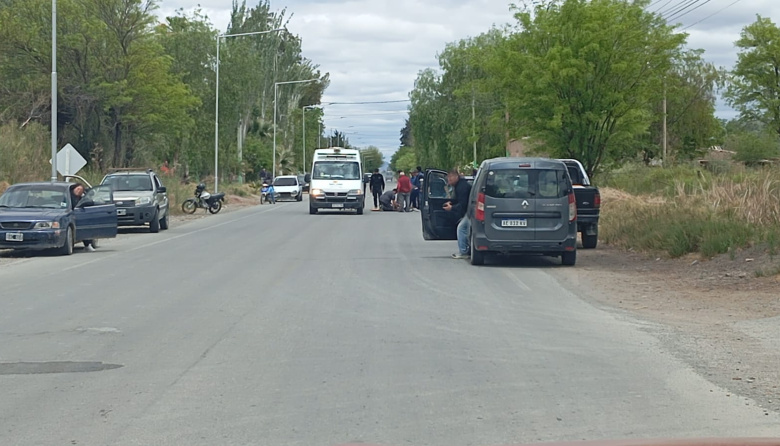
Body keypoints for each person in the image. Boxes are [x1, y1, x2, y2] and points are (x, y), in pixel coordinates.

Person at [442, 168, 472, 259]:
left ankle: (464, 252)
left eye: (451, 178)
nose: (449, 180)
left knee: (461, 228)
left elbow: (463, 204)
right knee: (465, 230)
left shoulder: (461, 187)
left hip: (470, 211)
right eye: (448, 178)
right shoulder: (459, 185)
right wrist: (452, 203)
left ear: (456, 177)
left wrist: (452, 208)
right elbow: (460, 201)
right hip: (469, 210)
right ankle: (466, 250)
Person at [71, 184, 96, 252]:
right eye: (77, 189)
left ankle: (88, 245)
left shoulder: (80, 198)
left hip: (78, 216)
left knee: (85, 226)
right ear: (74, 188)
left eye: (80, 190)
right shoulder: (69, 195)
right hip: (69, 215)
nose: (78, 191)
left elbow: (90, 202)